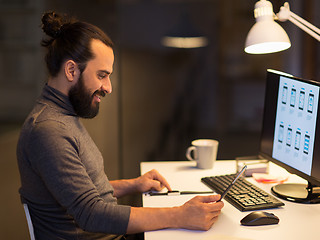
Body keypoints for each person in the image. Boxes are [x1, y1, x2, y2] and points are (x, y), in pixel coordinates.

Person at [16, 11, 224, 240]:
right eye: (102, 75)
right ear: (71, 70)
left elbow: (80, 192)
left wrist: (133, 184)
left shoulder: (61, 117)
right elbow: (90, 213)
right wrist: (180, 215)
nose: (108, 87)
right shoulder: (48, 130)